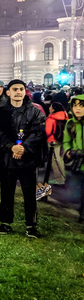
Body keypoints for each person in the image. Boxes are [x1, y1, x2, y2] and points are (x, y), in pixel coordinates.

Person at [0, 79, 47, 238]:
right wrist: (11, 147)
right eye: (15, 89)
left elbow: (38, 133)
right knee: (6, 191)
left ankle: (31, 225)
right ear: (8, 92)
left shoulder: (36, 112)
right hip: (7, 159)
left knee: (30, 193)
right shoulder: (0, 113)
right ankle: (5, 223)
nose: (18, 92)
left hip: (28, 160)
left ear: (25, 92)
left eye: (21, 89)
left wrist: (23, 148)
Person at [62, 94, 84, 223]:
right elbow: (66, 141)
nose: (77, 109)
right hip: (77, 162)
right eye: (75, 105)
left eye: (81, 106)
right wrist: (69, 152)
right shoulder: (71, 123)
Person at [44, 101, 68, 187]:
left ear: (54, 109)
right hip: (62, 141)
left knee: (55, 160)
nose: (49, 108)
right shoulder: (65, 117)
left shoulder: (51, 119)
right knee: (60, 159)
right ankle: (61, 176)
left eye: (50, 107)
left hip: (52, 142)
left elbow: (47, 132)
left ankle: (59, 179)